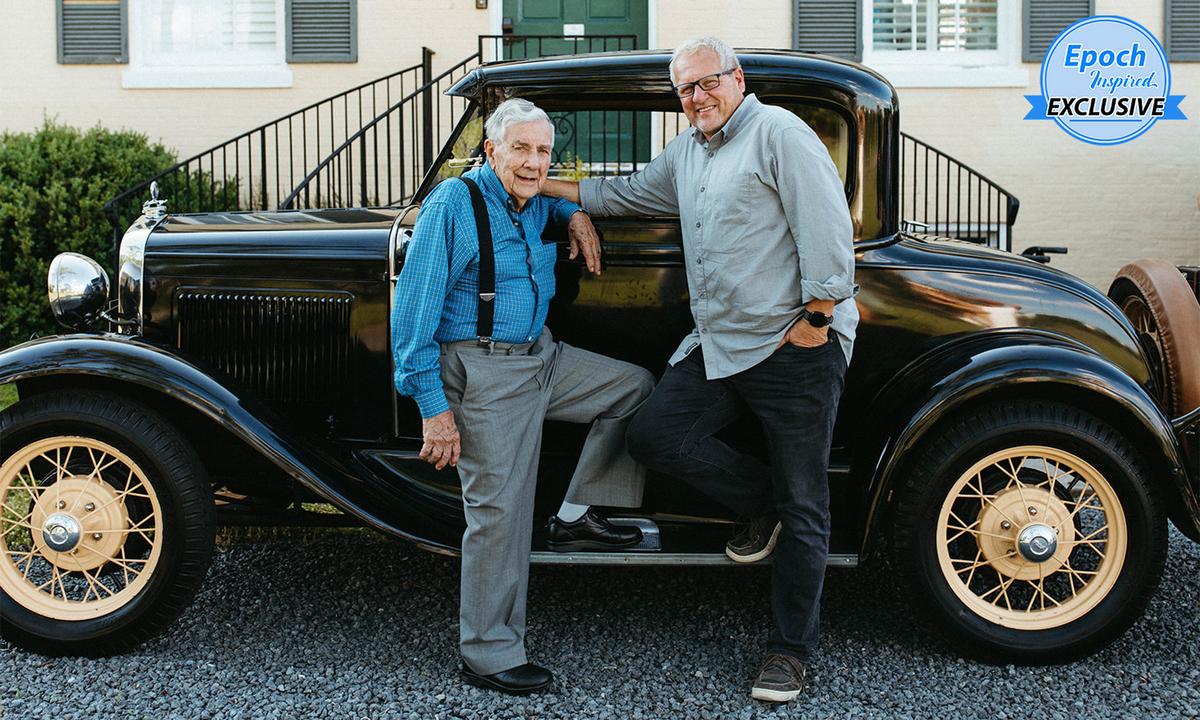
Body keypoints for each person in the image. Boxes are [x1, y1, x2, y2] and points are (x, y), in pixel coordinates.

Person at [542, 37, 858, 703]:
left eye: (707, 83)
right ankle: (758, 506)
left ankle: (789, 651)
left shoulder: (779, 133)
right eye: (685, 90)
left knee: (808, 501)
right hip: (718, 344)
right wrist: (544, 185)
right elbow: (624, 193)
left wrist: (817, 320)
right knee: (654, 435)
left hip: (793, 345)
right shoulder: (689, 150)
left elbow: (829, 230)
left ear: (736, 79)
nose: (697, 98)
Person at [391, 98, 655, 695]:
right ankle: (487, 652)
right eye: (522, 149)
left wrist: (571, 213)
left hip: (541, 356)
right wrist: (435, 412)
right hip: (483, 372)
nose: (535, 163)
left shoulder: (531, 201)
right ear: (491, 151)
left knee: (635, 389)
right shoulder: (453, 207)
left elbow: (551, 198)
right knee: (500, 514)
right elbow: (412, 321)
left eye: (544, 152)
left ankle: (577, 514)